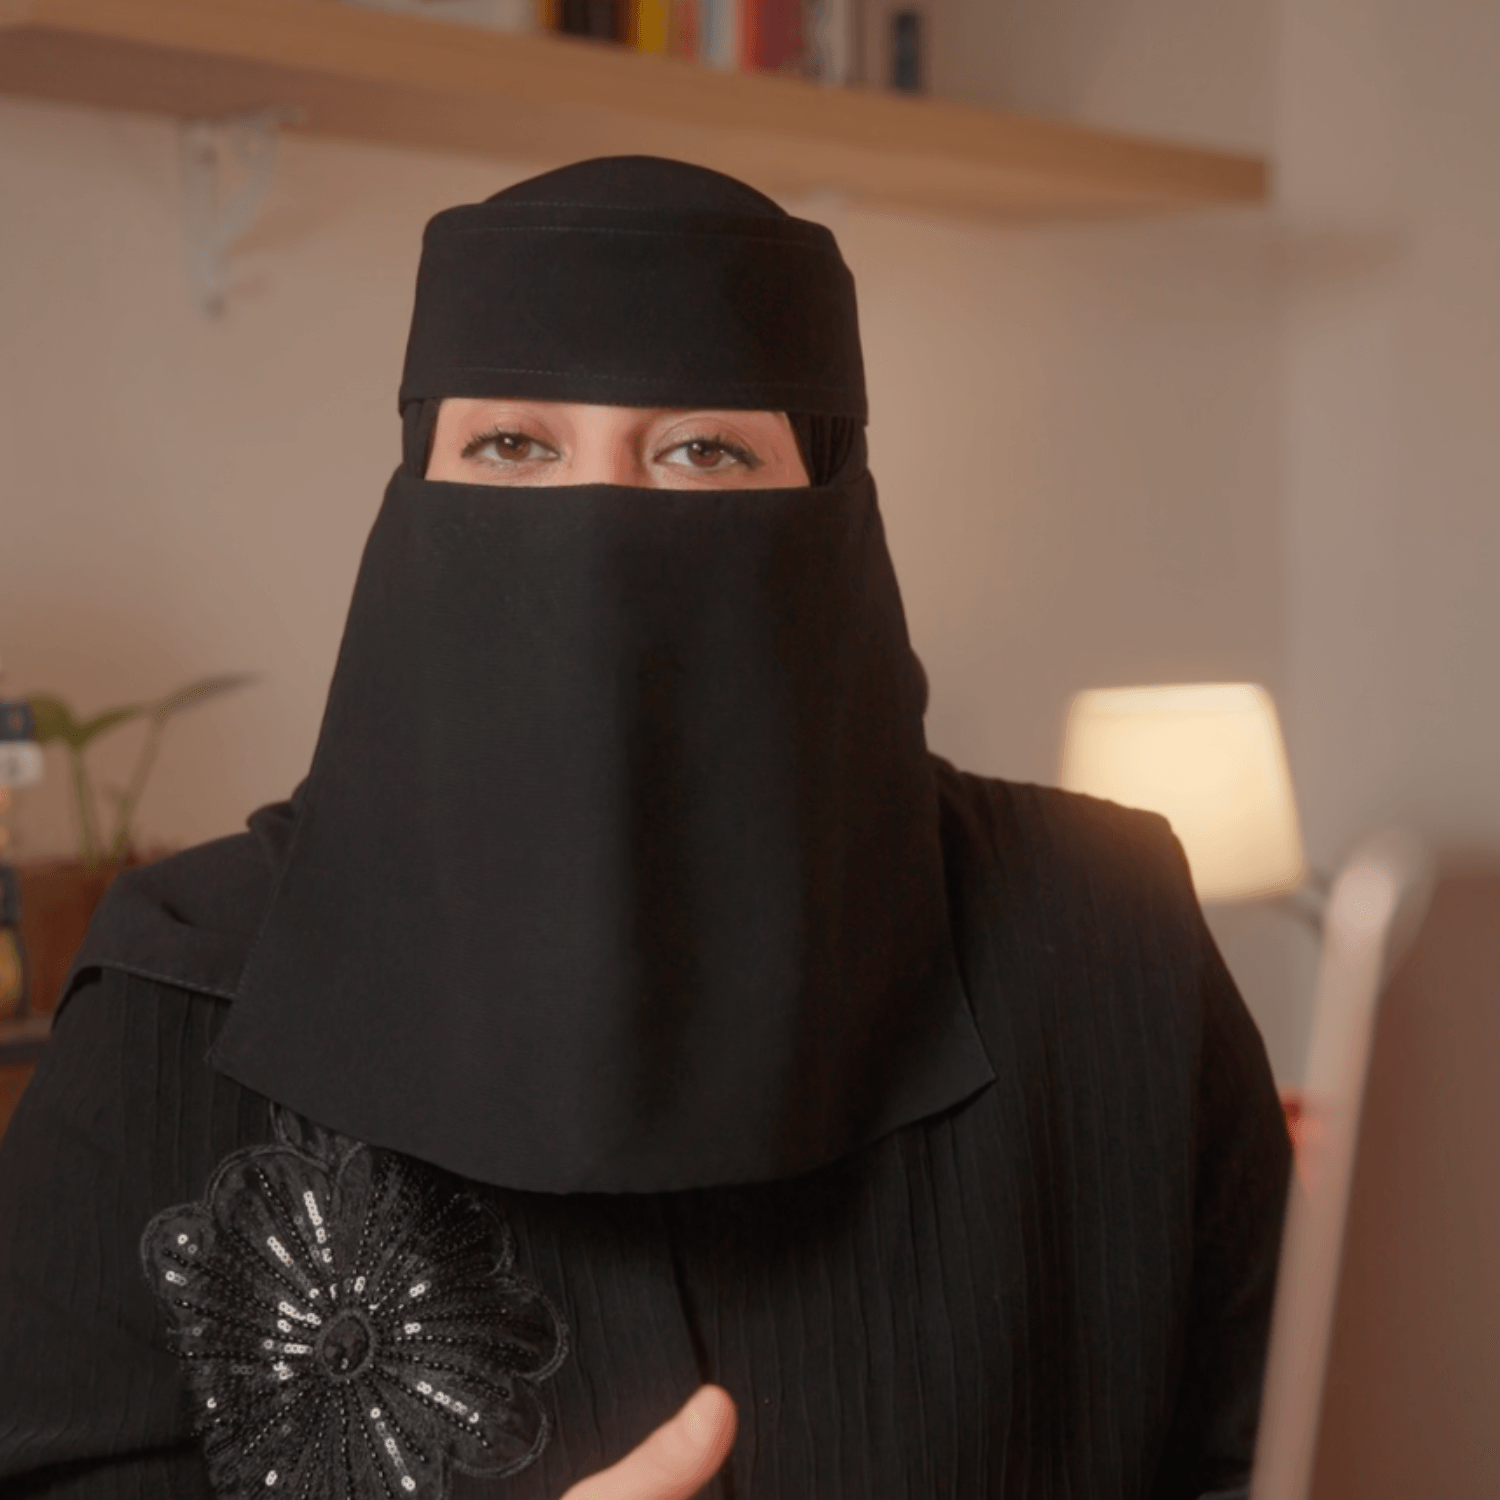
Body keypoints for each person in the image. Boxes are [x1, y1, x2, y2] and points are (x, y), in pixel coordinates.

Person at [0, 157, 1290, 1500]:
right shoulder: (178, 1000)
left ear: (834, 502)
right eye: (513, 446)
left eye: (702, 450)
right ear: (414, 493)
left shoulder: (1107, 947)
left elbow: (1303, 1450)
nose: (600, 521)